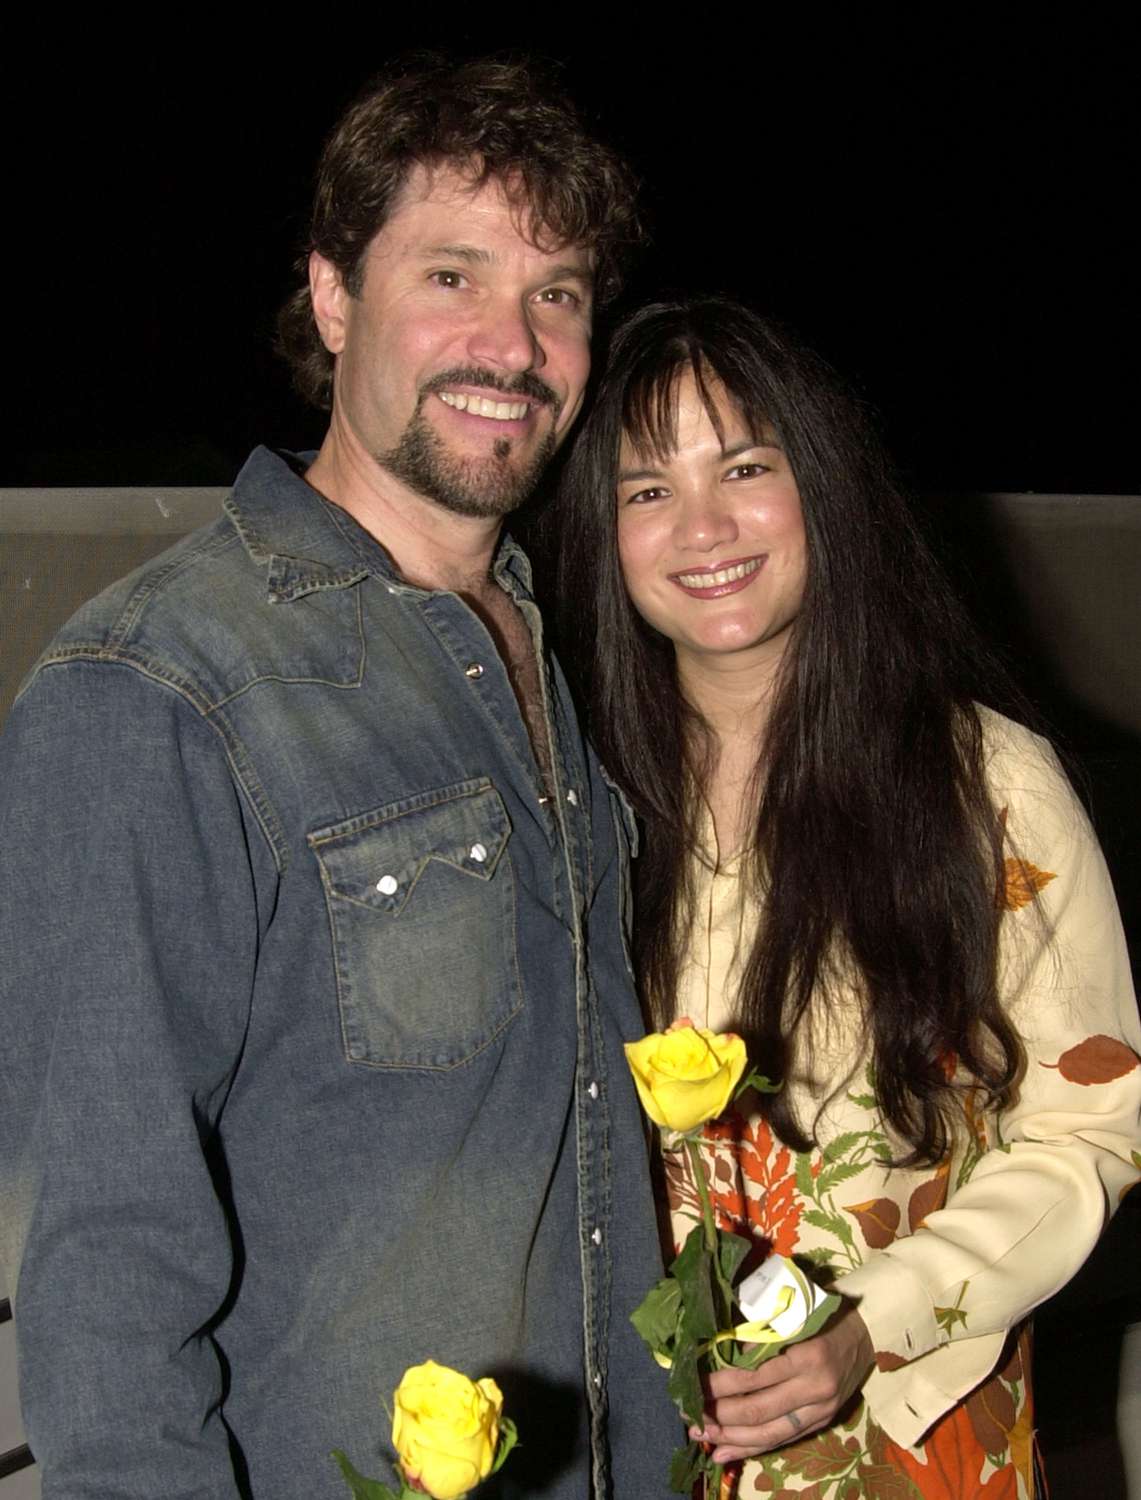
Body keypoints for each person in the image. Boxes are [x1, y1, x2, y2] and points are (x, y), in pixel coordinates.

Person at [0, 59, 679, 1499]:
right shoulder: (154, 686)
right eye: (453, 274)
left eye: (556, 293)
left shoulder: (552, 649)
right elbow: (109, 1270)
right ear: (330, 297)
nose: (513, 342)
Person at [553, 297, 1141, 1497]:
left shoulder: (985, 790)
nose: (702, 525)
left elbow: (1092, 1123)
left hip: (911, 1442)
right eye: (648, 488)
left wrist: (876, 1320)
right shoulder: (567, 795)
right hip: (637, 1448)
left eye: (746, 466)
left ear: (821, 487)